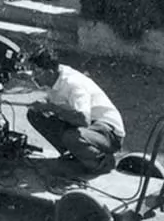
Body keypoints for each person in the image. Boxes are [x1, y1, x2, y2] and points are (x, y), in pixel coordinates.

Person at [25, 47, 125, 175]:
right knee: (35, 114)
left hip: (108, 132)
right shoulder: (55, 77)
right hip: (91, 128)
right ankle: (75, 156)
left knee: (71, 137)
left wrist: (50, 107)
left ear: (49, 72)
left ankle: (103, 162)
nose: (33, 77)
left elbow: (83, 119)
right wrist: (44, 106)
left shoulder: (73, 84)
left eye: (36, 73)